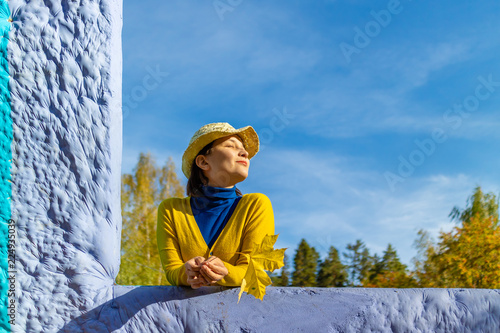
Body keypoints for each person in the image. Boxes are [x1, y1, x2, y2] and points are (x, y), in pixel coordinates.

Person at [157, 122, 275, 289]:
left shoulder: (256, 205)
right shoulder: (171, 210)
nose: (244, 153)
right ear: (203, 162)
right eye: (230, 146)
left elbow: (255, 271)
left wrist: (226, 272)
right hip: (185, 314)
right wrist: (187, 273)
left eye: (243, 149)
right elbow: (172, 271)